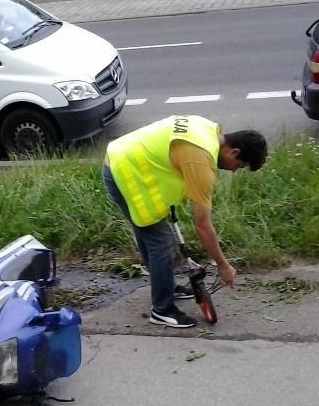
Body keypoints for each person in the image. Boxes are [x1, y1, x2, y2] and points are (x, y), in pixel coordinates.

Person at [102, 115, 267, 328]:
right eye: (238, 165)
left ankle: (167, 287)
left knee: (152, 236)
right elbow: (202, 225)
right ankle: (162, 310)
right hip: (124, 173)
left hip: (127, 161)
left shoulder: (207, 129)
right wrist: (223, 266)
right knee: (160, 241)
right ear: (234, 152)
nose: (234, 170)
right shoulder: (200, 160)